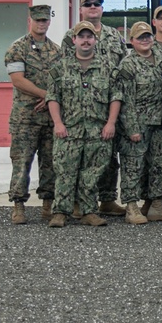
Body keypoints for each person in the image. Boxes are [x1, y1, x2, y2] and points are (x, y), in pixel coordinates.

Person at [46, 21, 122, 228]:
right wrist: (58, 123)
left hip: (98, 130)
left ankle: (89, 211)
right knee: (64, 171)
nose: (86, 40)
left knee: (92, 172)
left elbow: (116, 96)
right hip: (69, 130)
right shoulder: (61, 67)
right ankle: (61, 212)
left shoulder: (107, 67)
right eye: (82, 37)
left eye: (89, 37)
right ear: (74, 40)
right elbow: (53, 97)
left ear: (95, 40)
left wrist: (111, 123)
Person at [60, 0, 128, 217]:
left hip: (108, 102)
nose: (93, 7)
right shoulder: (71, 35)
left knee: (108, 155)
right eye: (87, 4)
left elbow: (122, 67)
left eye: (97, 4)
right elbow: (64, 70)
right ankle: (80, 202)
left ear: (102, 9)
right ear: (80, 10)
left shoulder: (113, 35)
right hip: (79, 107)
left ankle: (107, 199)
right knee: (80, 157)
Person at [4, 4, 60, 224]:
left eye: (44, 20)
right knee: (21, 162)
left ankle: (48, 204)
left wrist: (51, 99)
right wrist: (46, 95)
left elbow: (62, 80)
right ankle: (18, 206)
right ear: (30, 20)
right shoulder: (17, 48)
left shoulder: (56, 51)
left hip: (49, 118)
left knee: (50, 162)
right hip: (25, 118)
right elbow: (18, 79)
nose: (41, 24)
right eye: (37, 20)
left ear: (49, 21)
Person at [117, 22, 162, 225]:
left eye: (148, 36)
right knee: (133, 165)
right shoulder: (128, 65)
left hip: (161, 121)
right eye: (140, 37)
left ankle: (156, 205)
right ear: (132, 41)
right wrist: (131, 128)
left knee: (160, 164)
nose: (145, 40)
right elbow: (126, 100)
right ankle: (131, 206)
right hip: (138, 123)